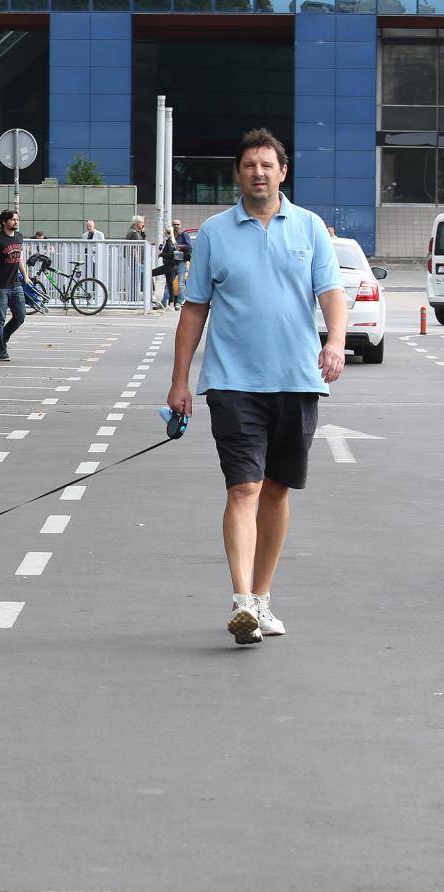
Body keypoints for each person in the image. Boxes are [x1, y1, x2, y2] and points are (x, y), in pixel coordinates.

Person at [165, 128, 345, 646]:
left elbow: (331, 292)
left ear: (282, 172)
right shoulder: (216, 234)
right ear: (238, 173)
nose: (259, 173)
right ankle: (242, 599)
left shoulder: (309, 228)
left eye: (268, 164)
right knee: (243, 487)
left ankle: (262, 598)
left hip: (296, 380)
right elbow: (194, 309)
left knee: (277, 489)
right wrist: (180, 382)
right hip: (233, 382)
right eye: (249, 165)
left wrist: (334, 342)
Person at [0, 208, 29, 362]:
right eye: (13, 219)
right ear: (4, 222)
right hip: (0, 285)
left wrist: (25, 275)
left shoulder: (19, 237)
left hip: (15, 284)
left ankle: (3, 338)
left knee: (20, 316)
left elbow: (19, 257)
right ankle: (0, 351)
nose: (16, 222)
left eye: (17, 219)